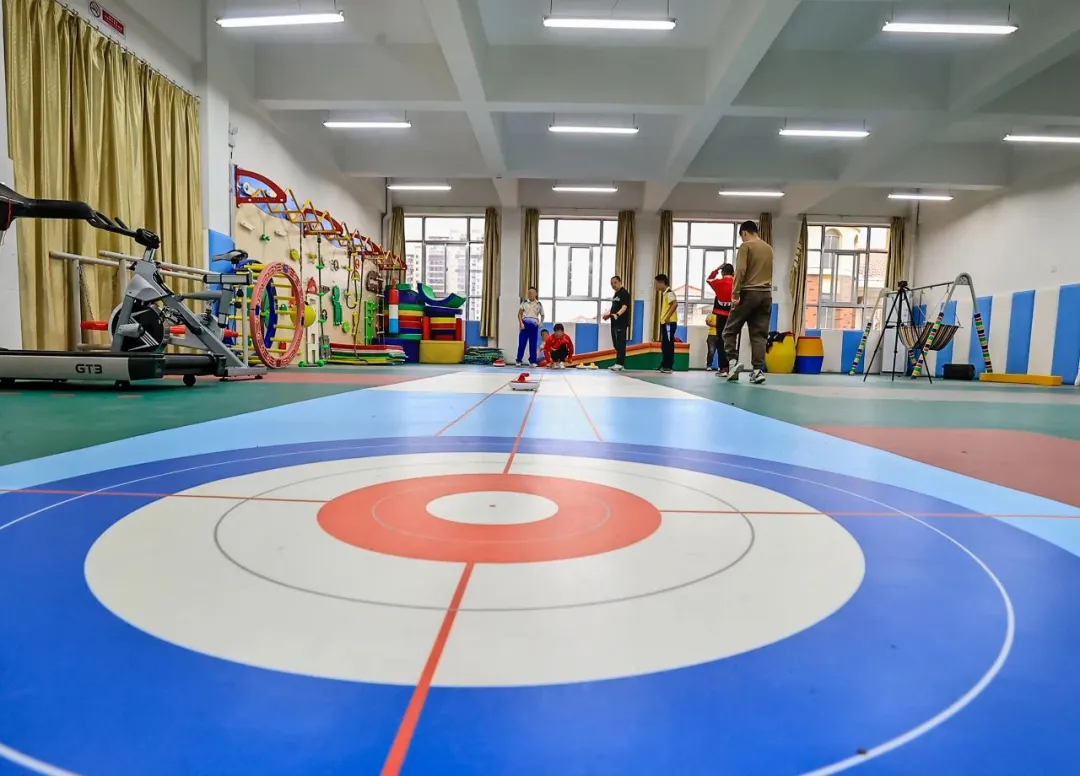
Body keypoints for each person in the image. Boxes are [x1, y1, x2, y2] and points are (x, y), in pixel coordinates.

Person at [723, 221, 773, 385]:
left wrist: (735, 293)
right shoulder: (768, 248)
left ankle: (732, 363)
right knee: (759, 335)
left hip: (748, 294)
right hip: (766, 295)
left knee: (729, 331)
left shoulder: (746, 247)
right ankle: (757, 371)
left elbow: (741, 270)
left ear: (744, 233)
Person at [706, 263, 734, 376]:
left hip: (721, 315)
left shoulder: (718, 283)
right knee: (731, 340)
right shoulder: (736, 283)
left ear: (722, 273)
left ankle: (723, 368)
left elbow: (709, 279)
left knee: (721, 341)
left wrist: (716, 269)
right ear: (733, 273)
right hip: (733, 315)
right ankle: (732, 365)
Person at [602, 275, 631, 371]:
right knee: (616, 344)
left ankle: (620, 364)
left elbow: (624, 307)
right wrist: (608, 315)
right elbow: (614, 307)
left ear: (620, 282)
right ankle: (617, 362)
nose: (613, 285)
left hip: (621, 323)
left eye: (615, 282)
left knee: (621, 343)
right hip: (614, 322)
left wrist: (617, 314)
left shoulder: (624, 293)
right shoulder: (616, 294)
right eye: (611, 283)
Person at [655, 273, 678, 374]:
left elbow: (675, 304)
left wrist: (668, 317)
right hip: (665, 323)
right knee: (665, 345)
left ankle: (668, 366)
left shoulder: (669, 293)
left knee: (668, 345)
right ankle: (665, 364)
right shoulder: (665, 293)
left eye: (656, 283)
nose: (656, 286)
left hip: (669, 323)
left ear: (661, 283)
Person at [517, 287, 544, 366]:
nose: (531, 294)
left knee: (533, 344)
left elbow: (542, 315)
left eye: (532, 293)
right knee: (522, 343)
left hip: (534, 326)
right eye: (529, 293)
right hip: (525, 325)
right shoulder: (524, 302)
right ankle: (518, 360)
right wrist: (521, 323)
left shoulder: (539, 304)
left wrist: (541, 322)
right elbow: (519, 314)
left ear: (536, 294)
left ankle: (532, 361)